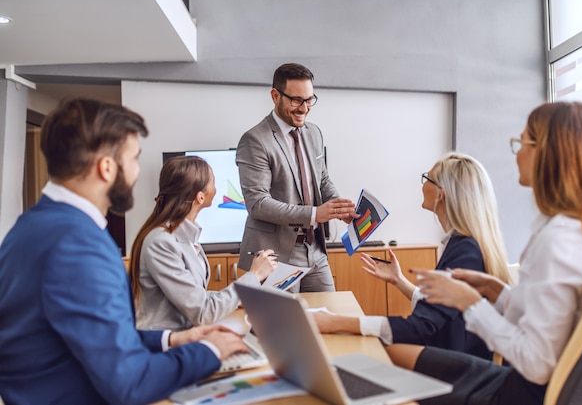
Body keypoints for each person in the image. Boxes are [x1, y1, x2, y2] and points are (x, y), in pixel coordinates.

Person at [0, 99, 249, 405]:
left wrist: (172, 339)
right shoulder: (79, 245)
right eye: (134, 159)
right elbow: (130, 383)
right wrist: (211, 350)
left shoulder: (30, 228)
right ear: (107, 168)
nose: (136, 173)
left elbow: (95, 339)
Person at [385, 101, 582, 405]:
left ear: (546, 154)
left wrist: (471, 304)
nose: (517, 154)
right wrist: (499, 293)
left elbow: (536, 364)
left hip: (522, 393)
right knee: (393, 355)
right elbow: (559, 320)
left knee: (389, 366)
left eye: (521, 143)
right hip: (533, 385)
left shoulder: (557, 242)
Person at [313, 153, 510, 360]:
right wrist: (399, 281)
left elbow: (421, 327)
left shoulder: (465, 252)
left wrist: (335, 322)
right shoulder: (462, 244)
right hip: (452, 352)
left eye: (427, 178)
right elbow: (438, 312)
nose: (423, 184)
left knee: (375, 354)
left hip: (457, 365)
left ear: (440, 194)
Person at [236, 62, 359, 292]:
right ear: (275, 95)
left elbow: (321, 179)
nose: (304, 108)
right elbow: (258, 204)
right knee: (281, 327)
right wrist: (315, 214)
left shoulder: (314, 133)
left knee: (328, 319)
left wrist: (339, 207)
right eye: (296, 100)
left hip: (315, 251)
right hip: (275, 257)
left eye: (309, 100)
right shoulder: (255, 140)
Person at [129, 155, 278, 331]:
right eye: (213, 183)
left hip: (188, 335)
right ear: (200, 197)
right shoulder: (161, 242)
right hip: (167, 344)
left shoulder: (185, 237)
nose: (216, 189)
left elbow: (193, 297)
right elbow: (202, 312)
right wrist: (254, 275)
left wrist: (235, 299)